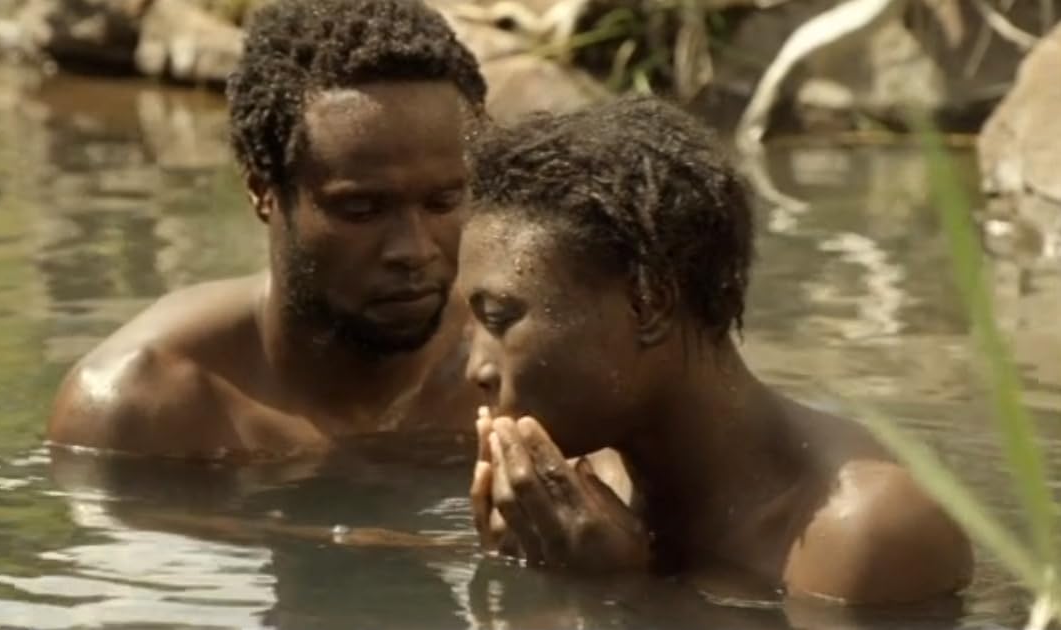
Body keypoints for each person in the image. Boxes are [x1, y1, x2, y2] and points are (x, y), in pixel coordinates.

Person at [460, 96, 974, 604]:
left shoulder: (867, 535)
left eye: (500, 319)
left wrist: (614, 595)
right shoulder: (583, 488)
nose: (475, 369)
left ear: (648, 305)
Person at [47, 0, 489, 457]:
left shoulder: (506, 365)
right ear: (263, 191)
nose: (414, 250)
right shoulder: (143, 409)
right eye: (361, 209)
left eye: (443, 202)